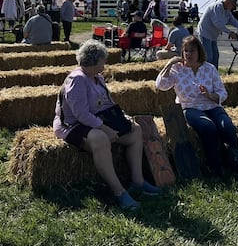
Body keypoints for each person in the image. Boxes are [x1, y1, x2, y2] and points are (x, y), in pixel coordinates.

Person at [54, 40, 161, 209]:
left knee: (134, 131)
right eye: (103, 60)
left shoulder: (97, 78)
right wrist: (105, 128)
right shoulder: (78, 80)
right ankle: (119, 192)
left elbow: (108, 104)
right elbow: (80, 114)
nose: (105, 63)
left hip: (98, 119)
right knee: (100, 138)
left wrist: (123, 117)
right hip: (72, 125)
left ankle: (138, 181)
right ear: (94, 61)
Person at [155, 35, 238, 177]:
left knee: (228, 127)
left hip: (212, 105)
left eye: (192, 51)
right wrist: (169, 64)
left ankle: (237, 160)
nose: (188, 54)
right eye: (185, 51)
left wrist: (210, 95)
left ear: (199, 52)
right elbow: (161, 85)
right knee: (208, 127)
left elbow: (222, 93)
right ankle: (215, 167)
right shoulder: (177, 69)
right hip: (190, 107)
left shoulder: (209, 68)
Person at [197, 0, 238, 68]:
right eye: (233, 5)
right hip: (205, 33)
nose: (233, 7)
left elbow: (233, 21)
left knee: (215, 56)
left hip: (213, 35)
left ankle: (215, 75)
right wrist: (230, 32)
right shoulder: (217, 7)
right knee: (208, 57)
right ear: (228, 2)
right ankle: (205, 75)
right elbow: (217, 23)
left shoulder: (227, 10)